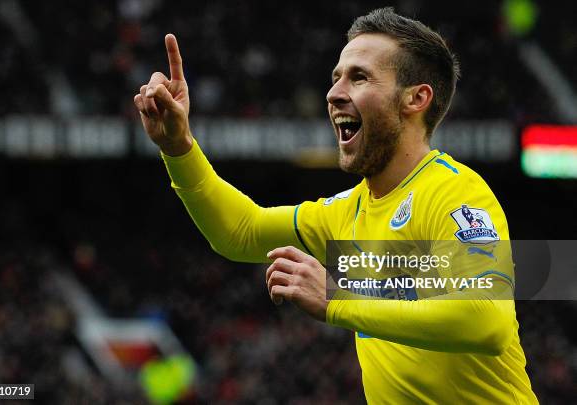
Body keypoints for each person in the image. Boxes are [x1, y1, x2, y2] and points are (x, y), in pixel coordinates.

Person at [133, 7, 538, 404]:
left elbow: (488, 321)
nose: (333, 93)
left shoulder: (454, 193)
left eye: (359, 77)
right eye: (336, 78)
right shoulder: (345, 211)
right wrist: (178, 147)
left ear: (416, 99)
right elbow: (240, 231)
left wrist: (339, 298)